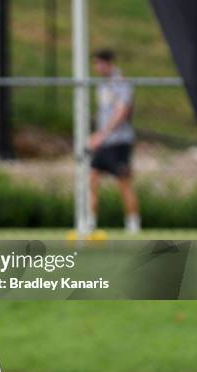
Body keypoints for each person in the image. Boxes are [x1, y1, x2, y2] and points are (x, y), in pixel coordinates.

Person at [88, 48, 140, 233]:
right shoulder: (102, 85)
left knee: (124, 183)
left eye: (99, 63)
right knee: (92, 178)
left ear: (108, 63)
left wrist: (101, 135)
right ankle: (90, 224)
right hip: (104, 143)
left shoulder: (121, 83)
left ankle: (133, 224)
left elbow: (121, 113)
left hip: (119, 142)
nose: (97, 68)